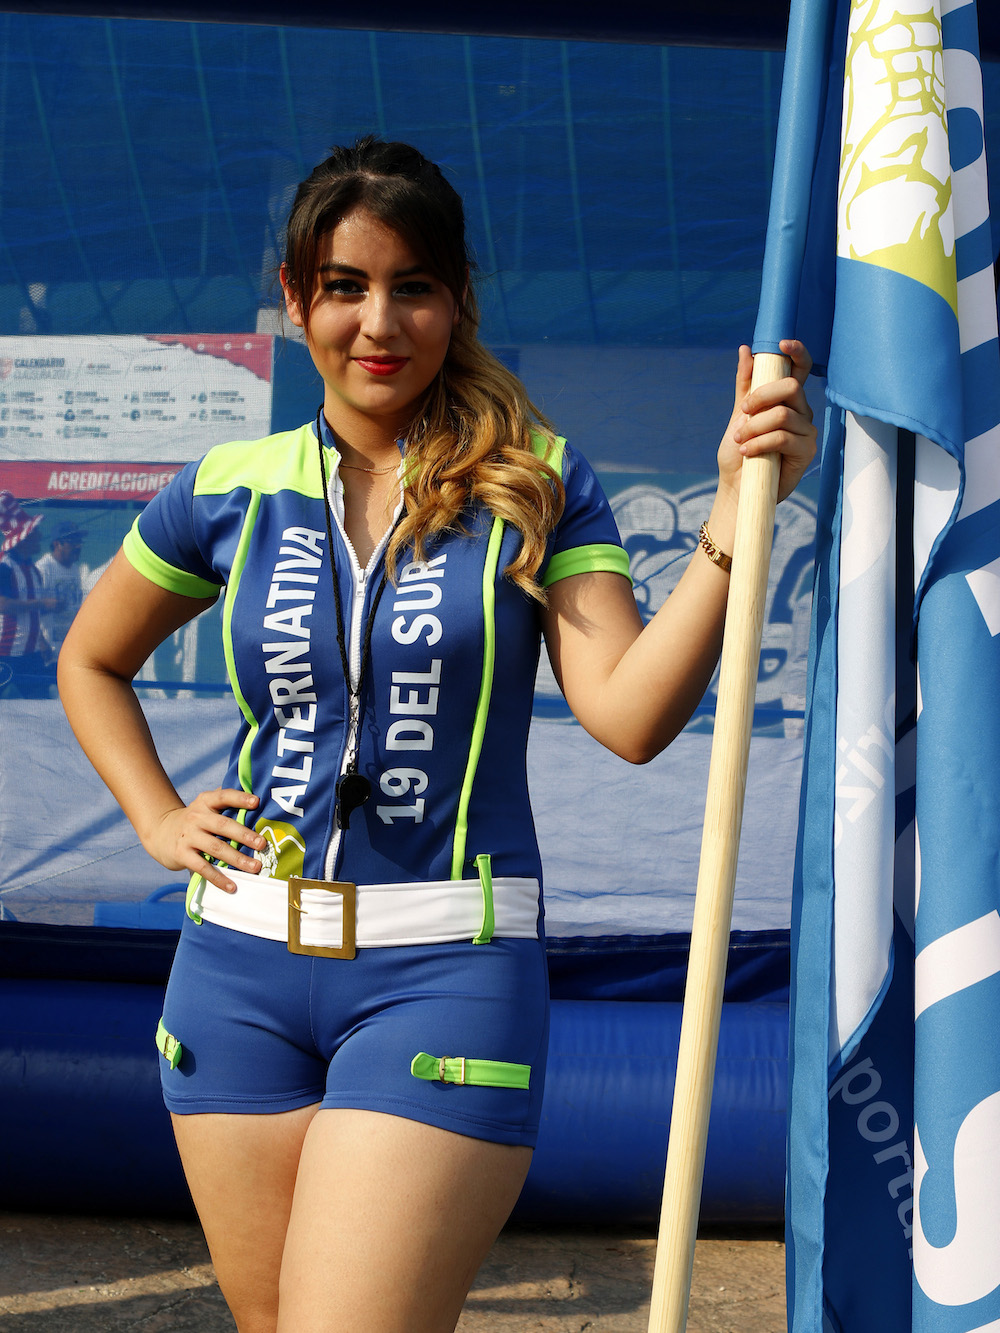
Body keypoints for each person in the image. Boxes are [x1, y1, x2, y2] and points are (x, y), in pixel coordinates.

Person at [58, 137, 816, 1333]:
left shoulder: (536, 480)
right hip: (232, 972)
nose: (378, 322)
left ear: (457, 298)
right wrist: (156, 816)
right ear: (295, 298)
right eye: (344, 286)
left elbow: (630, 716)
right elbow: (90, 659)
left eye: (411, 286)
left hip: (445, 974)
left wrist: (734, 508)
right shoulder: (224, 486)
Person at [0, 491, 58, 697]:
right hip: (5, 653)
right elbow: (3, 604)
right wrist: (41, 604)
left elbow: (31, 613)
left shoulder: (32, 569)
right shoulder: (4, 567)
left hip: (30, 653)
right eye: (35, 532)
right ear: (23, 539)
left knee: (41, 702)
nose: (40, 536)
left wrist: (41, 640)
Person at [35, 520, 85, 655]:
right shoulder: (43, 569)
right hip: (48, 649)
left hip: (69, 649)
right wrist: (41, 643)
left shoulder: (75, 569)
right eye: (72, 542)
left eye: (79, 542)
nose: (78, 546)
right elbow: (29, 613)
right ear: (57, 544)